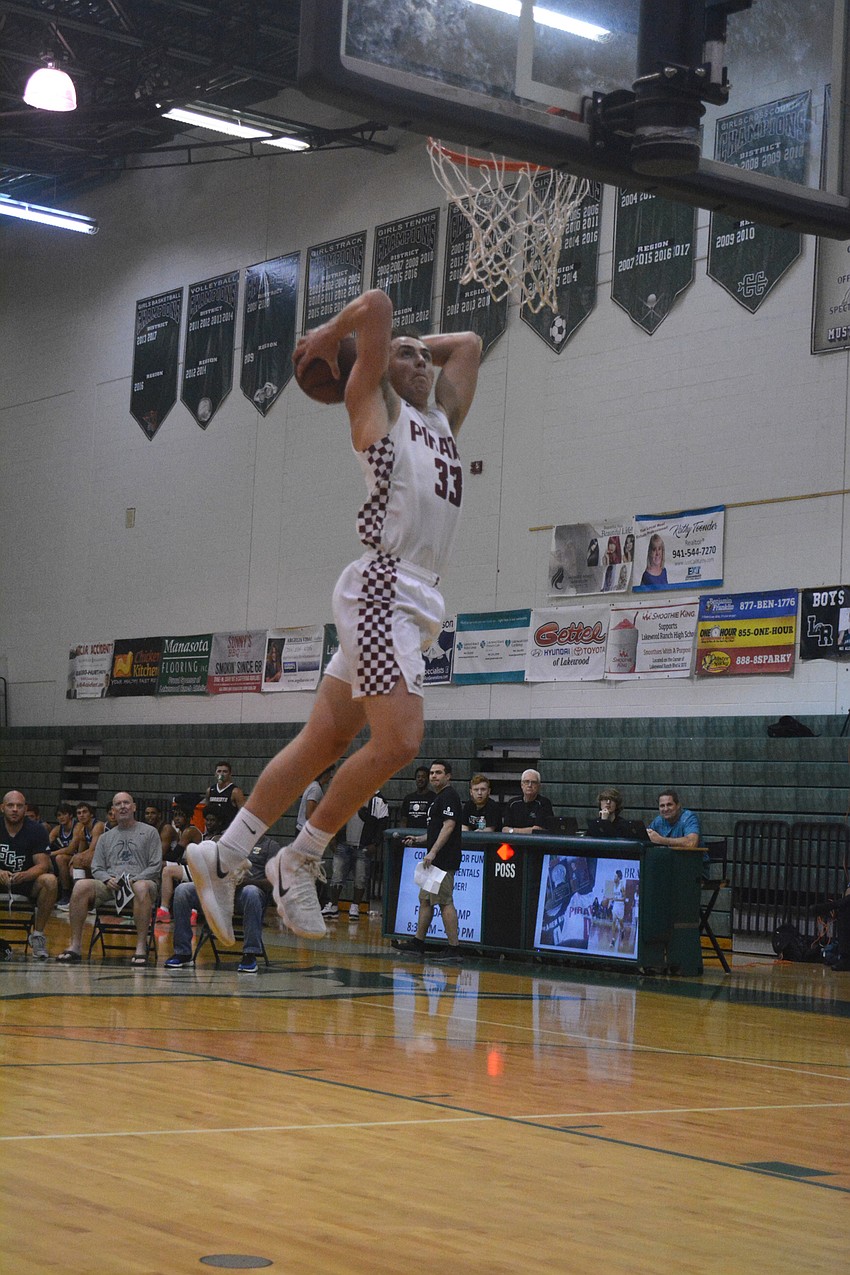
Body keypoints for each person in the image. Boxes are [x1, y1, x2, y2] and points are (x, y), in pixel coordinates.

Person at [185, 288, 481, 946]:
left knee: (323, 741)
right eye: (402, 355)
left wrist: (412, 347)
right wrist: (333, 337)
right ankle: (300, 857)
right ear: (372, 374)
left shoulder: (442, 418)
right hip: (385, 586)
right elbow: (378, 304)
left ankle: (225, 854)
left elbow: (468, 346)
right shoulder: (373, 410)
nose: (421, 358)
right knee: (401, 740)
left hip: (413, 597)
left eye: (420, 354)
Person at [56, 791, 162, 965]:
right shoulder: (105, 838)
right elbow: (97, 867)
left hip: (141, 882)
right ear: (113, 810)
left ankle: (141, 947)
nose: (123, 807)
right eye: (118, 804)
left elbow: (156, 866)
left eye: (126, 803)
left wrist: (134, 880)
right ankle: (75, 945)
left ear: (134, 807)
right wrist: (106, 879)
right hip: (111, 883)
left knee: (142, 887)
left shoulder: (150, 832)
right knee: (81, 886)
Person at [166, 832, 280, 975]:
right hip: (215, 891)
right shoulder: (227, 839)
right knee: (183, 890)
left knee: (252, 893)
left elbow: (272, 882)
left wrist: (243, 882)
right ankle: (183, 953)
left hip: (243, 893)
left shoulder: (270, 846)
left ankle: (250, 954)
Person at [395, 760, 465, 960]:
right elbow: (435, 829)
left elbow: (449, 826)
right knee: (425, 900)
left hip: (443, 860)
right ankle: (418, 942)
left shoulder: (449, 796)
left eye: (438, 773)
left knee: (444, 902)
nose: (434, 776)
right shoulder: (438, 797)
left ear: (448, 776)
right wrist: (419, 839)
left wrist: (433, 851)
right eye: (432, 773)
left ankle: (454, 948)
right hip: (435, 861)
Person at [0, 789, 58, 959]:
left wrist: (25, 874)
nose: (15, 809)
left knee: (50, 880)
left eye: (19, 806)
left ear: (25, 809)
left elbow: (43, 865)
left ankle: (38, 935)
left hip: (26, 882)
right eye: (10, 805)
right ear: (2, 807)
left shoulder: (37, 830)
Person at [322, 790, 389, 920]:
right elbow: (334, 817)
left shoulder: (379, 800)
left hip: (364, 846)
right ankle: (333, 905)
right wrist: (332, 838)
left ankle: (355, 906)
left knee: (360, 878)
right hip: (343, 843)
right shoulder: (347, 794)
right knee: (337, 876)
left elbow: (383, 824)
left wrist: (375, 844)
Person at [503, 770, 556, 835]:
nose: (529, 785)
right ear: (521, 785)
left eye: (533, 782)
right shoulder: (512, 803)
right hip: (514, 842)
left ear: (539, 786)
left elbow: (537, 830)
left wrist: (512, 830)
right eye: (526, 782)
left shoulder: (544, 803)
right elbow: (505, 829)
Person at [49, 801, 78, 907]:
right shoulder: (57, 829)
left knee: (59, 858)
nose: (61, 817)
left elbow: (70, 849)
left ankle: (68, 894)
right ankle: (60, 893)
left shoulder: (77, 827)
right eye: (58, 815)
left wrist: (51, 853)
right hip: (68, 858)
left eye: (64, 814)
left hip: (79, 856)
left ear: (70, 815)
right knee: (47, 859)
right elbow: (46, 844)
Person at [201, 763, 246, 828]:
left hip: (228, 828)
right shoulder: (210, 790)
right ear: (215, 774)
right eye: (219, 771)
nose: (221, 774)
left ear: (230, 774)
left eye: (225, 771)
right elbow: (207, 811)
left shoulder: (235, 791)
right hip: (213, 829)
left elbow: (243, 813)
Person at [67, 801, 105, 877]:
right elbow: (81, 851)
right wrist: (74, 860)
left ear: (91, 814)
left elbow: (93, 849)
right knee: (71, 863)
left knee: (78, 860)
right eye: (79, 813)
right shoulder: (82, 831)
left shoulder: (98, 826)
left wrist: (75, 858)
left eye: (84, 812)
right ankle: (70, 887)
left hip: (107, 856)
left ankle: (80, 886)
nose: (82, 815)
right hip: (96, 857)